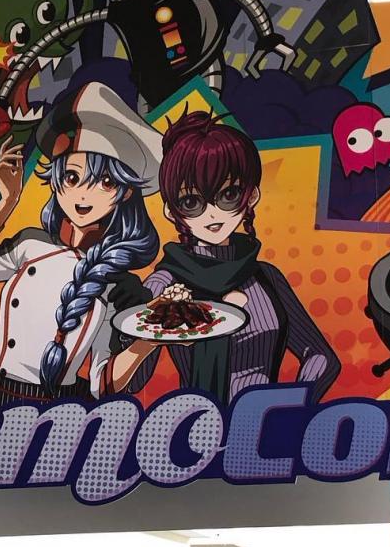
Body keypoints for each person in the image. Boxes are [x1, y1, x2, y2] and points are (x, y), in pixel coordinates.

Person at [0, 81, 161, 417]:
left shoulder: (119, 283)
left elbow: (101, 384)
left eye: (105, 182)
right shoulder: (31, 244)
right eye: (71, 178)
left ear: (125, 192)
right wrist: (7, 203)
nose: (83, 194)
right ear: (56, 180)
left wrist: (148, 342)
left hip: (57, 413)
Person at [107, 111, 340, 402]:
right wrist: (143, 322)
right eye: (191, 202)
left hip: (263, 421)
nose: (212, 213)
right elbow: (132, 382)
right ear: (171, 211)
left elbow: (320, 356)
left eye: (229, 195)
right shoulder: (165, 284)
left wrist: (289, 405)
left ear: (251, 196)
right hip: (197, 420)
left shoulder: (265, 277)